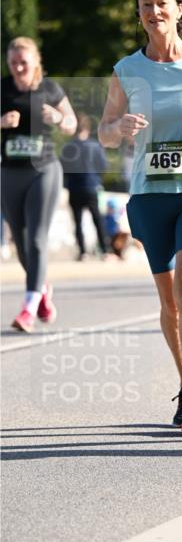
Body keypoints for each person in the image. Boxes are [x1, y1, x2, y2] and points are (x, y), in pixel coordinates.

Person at [99, 0, 182, 432]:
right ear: (139, 16)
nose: (155, 10)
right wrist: (121, 128)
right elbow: (104, 131)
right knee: (169, 301)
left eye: (163, 2)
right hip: (150, 194)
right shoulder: (127, 69)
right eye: (147, 5)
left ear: (179, 9)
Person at [1, 36, 77, 331]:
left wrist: (59, 117)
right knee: (20, 244)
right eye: (13, 62)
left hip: (43, 170)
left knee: (36, 238)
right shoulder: (3, 88)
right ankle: (42, 289)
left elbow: (71, 124)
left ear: (35, 61)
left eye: (23, 62)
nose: (19, 67)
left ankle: (28, 309)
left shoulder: (49, 88)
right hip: (9, 171)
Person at [62, 113, 110, 260]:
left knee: (77, 222)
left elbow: (63, 168)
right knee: (98, 220)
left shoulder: (68, 147)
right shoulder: (95, 146)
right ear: (88, 129)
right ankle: (105, 250)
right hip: (92, 186)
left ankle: (83, 252)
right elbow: (103, 166)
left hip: (74, 187)